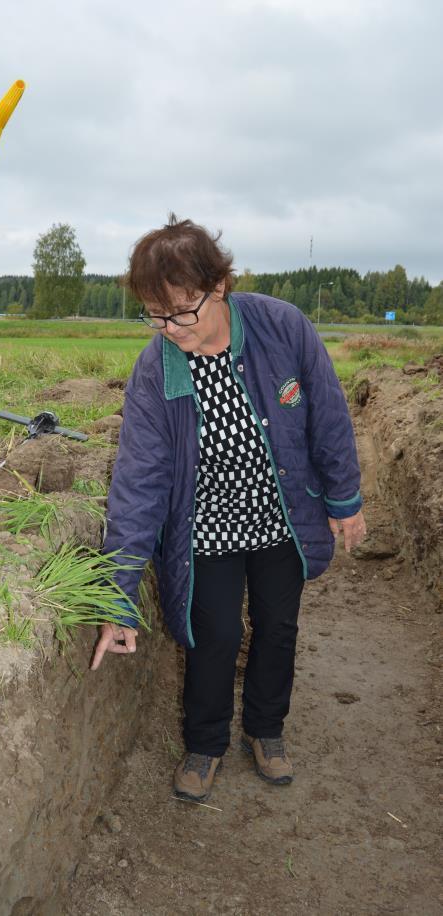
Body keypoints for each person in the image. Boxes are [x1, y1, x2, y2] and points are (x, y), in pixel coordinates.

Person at [91, 215, 366, 801]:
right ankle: (205, 742)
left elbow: (329, 418)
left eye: (180, 311)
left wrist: (344, 500)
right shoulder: (155, 371)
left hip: (280, 518)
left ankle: (267, 731)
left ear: (218, 287)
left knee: (278, 626)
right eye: (154, 314)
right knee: (212, 634)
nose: (168, 328)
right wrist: (119, 593)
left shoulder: (281, 327)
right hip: (207, 528)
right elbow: (139, 484)